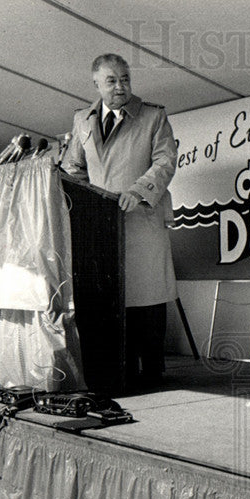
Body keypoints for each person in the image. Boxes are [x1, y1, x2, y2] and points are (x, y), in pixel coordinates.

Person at [62, 53, 179, 388]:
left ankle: (153, 374)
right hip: (101, 228)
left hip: (141, 218)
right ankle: (120, 373)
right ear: (96, 84)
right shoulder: (82, 120)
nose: (120, 86)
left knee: (147, 298)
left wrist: (139, 189)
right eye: (111, 80)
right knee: (112, 299)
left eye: (125, 78)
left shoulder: (153, 116)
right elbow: (74, 169)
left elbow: (166, 160)